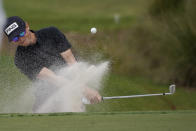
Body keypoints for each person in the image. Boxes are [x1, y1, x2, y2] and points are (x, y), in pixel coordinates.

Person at [3, 16, 102, 112]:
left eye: (21, 33)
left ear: (27, 26)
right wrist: (84, 91)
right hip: (47, 95)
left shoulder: (51, 33)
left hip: (72, 83)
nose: (20, 39)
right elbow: (53, 78)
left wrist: (81, 88)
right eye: (15, 39)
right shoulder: (20, 59)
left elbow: (71, 61)